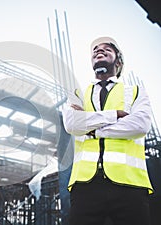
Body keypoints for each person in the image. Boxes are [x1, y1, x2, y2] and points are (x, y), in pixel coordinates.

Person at [62, 36, 154, 225]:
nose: (99, 50)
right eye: (95, 49)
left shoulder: (135, 92)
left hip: (129, 184)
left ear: (118, 61)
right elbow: (72, 124)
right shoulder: (78, 93)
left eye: (107, 49)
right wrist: (114, 115)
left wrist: (93, 130)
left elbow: (139, 125)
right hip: (86, 185)